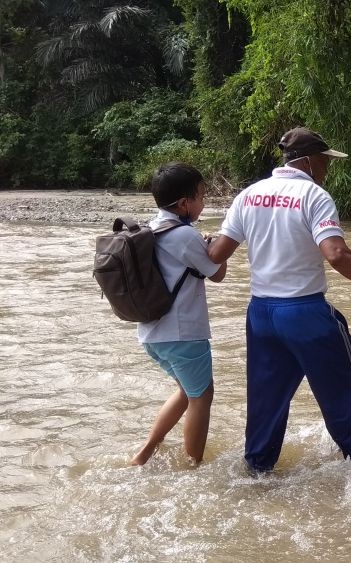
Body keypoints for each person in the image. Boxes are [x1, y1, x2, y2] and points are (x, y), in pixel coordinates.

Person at [207, 126, 351, 473]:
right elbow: (337, 254)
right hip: (304, 311)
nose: (327, 169)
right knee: (346, 387)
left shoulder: (248, 195)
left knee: (265, 399)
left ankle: (257, 470)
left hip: (261, 314)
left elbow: (217, 254)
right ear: (311, 161)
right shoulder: (313, 196)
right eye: (325, 162)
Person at [131, 163, 228, 466]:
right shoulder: (185, 235)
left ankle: (144, 454)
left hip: (152, 334)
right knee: (202, 397)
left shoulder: (152, 228)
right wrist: (216, 245)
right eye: (201, 196)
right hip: (183, 334)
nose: (204, 202)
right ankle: (193, 466)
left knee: (188, 392)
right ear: (184, 203)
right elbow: (217, 273)